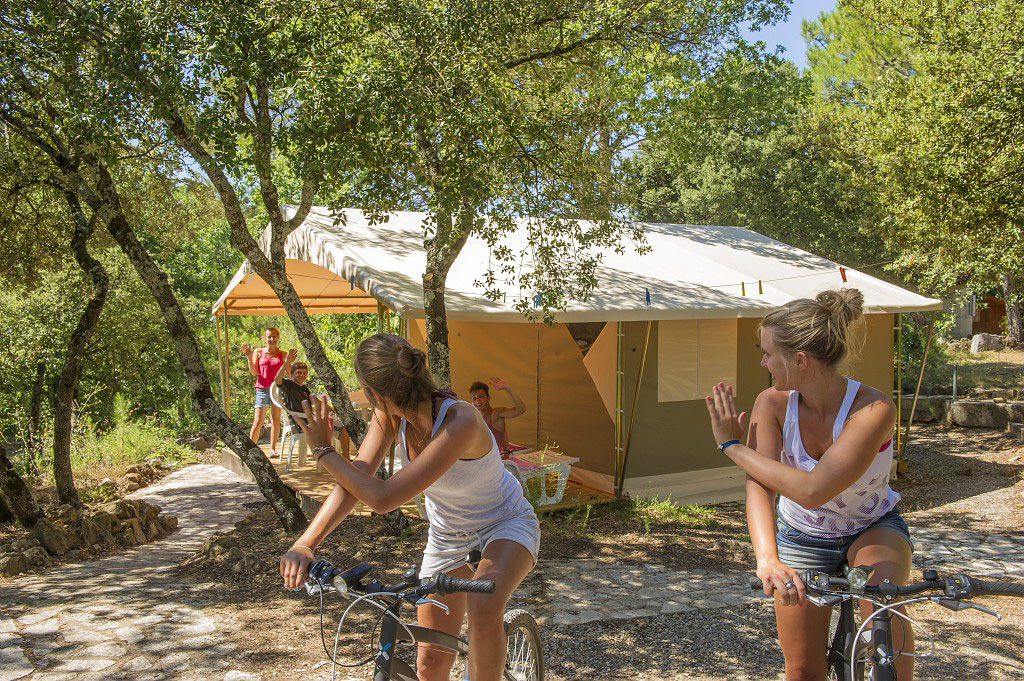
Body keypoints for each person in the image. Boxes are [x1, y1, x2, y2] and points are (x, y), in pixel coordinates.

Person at [279, 334, 540, 681]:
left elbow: (384, 498)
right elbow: (359, 478)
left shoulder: (459, 421)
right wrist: (305, 543)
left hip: (504, 524)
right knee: (430, 663)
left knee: (483, 605)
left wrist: (324, 451)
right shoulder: (389, 416)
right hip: (448, 536)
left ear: (374, 392)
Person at [705, 288, 914, 681]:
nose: (762, 361)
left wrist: (730, 445)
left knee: (886, 626)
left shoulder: (874, 409)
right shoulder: (772, 403)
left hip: (871, 527)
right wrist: (767, 557)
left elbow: (814, 489)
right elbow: (761, 485)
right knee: (801, 669)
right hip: (802, 533)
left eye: (767, 353)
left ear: (799, 360)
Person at [241, 327, 287, 457]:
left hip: (277, 389)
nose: (272, 339)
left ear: (278, 338)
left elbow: (288, 373)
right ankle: (250, 449)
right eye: (269, 337)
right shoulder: (258, 351)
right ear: (265, 338)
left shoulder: (282, 354)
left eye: (274, 336)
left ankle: (272, 449)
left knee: (275, 419)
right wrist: (249, 358)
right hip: (262, 389)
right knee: (258, 421)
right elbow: (254, 372)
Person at [468, 377, 526, 456]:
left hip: (485, 463)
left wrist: (508, 389)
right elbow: (502, 430)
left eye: (481, 396)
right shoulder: (474, 416)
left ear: (488, 398)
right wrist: (506, 451)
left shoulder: (496, 414)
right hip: (473, 459)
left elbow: (521, 409)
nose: (477, 401)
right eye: (474, 398)